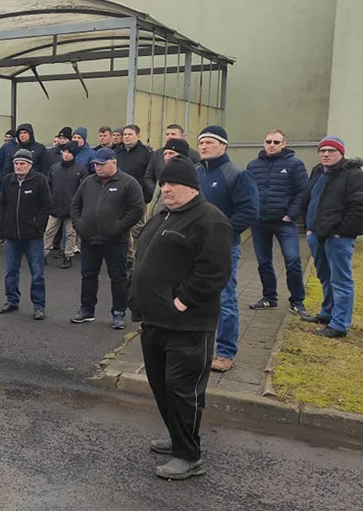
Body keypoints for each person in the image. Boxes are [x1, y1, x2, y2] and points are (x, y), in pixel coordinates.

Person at [129, 156, 234, 481]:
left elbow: (215, 272)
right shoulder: (163, 215)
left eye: (173, 183)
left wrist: (182, 301)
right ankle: (177, 438)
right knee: (161, 386)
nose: (166, 189)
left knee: (182, 389)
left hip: (187, 325)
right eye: (163, 183)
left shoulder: (209, 220)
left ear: (192, 186)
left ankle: (189, 456)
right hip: (154, 321)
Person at [196, 125, 260, 372]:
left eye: (210, 142)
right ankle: (197, 347)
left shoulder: (236, 175)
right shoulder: (195, 173)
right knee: (195, 297)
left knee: (225, 298)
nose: (204, 146)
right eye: (201, 142)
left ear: (224, 145)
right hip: (193, 248)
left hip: (222, 248)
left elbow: (249, 211)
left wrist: (220, 233)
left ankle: (225, 352)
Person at [301, 136, 363, 338]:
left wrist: (341, 231)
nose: (326, 154)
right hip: (317, 235)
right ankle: (327, 313)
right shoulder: (318, 172)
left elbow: (361, 207)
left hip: (338, 238)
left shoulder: (354, 175)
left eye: (331, 151)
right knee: (325, 276)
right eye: (322, 150)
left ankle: (339, 325)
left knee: (341, 280)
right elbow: (308, 199)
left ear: (341, 152)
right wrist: (308, 227)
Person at [70, 148, 145, 329]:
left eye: (102, 164)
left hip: (115, 240)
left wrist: (118, 228)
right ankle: (87, 309)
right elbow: (75, 205)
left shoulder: (128, 183)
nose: (98, 168)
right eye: (96, 164)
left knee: (118, 277)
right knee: (88, 275)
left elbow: (136, 209)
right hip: (89, 239)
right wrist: (79, 226)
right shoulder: (88, 182)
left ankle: (118, 312)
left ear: (114, 162)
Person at [245, 129, 311, 318]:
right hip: (260, 223)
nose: (271, 145)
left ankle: (297, 302)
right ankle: (269, 298)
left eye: (276, 142)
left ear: (284, 144)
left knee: (293, 261)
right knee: (264, 262)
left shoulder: (295, 165)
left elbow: (303, 192)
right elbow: (248, 191)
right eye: (268, 141)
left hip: (284, 223)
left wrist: (291, 215)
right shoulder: (253, 165)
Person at [0, 149, 53, 320]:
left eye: (22, 164)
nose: (19, 167)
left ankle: (39, 306)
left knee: (37, 272)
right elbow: (2, 204)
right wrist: (4, 224)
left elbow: (46, 206)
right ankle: (12, 300)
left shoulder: (40, 181)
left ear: (29, 165)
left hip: (33, 236)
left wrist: (38, 225)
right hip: (12, 235)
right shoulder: (7, 181)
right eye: (16, 163)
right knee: (11, 271)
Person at [116, 124, 154, 267]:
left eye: (130, 134)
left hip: (138, 197)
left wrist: (147, 195)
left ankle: (136, 256)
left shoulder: (146, 153)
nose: (126, 137)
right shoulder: (118, 153)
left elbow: (150, 176)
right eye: (125, 134)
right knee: (121, 226)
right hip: (119, 197)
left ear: (138, 136)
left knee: (136, 228)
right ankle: (124, 254)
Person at [44, 143, 87, 269]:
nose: (66, 154)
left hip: (71, 208)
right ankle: (43, 254)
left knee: (70, 233)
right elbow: (48, 186)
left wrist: (78, 205)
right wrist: (50, 201)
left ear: (74, 154)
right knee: (49, 231)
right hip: (55, 206)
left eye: (70, 152)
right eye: (65, 151)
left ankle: (68, 256)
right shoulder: (54, 168)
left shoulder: (80, 170)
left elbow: (83, 190)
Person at [145, 138, 191, 220]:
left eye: (171, 153)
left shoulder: (186, 179)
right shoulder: (163, 175)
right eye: (165, 154)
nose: (167, 157)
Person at [0, 129, 17, 246]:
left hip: (16, 186)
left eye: (10, 137)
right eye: (6, 137)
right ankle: (1, 233)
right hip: (2, 187)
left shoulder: (18, 149)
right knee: (0, 211)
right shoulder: (1, 150)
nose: (7, 140)